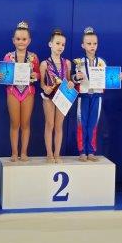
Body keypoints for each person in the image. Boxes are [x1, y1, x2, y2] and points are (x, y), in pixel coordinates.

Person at [72, 26, 122, 161]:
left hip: (97, 96)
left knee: (93, 124)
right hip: (83, 96)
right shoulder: (78, 62)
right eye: (89, 43)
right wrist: (76, 77)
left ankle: (91, 151)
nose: (92, 46)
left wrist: (117, 77)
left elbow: (107, 79)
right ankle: (82, 151)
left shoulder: (101, 62)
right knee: (82, 124)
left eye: (95, 43)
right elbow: (72, 79)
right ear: (83, 45)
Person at [1, 21, 40, 162]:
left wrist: (35, 75)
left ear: (29, 41)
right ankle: (14, 152)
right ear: (13, 40)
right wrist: (3, 76)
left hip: (28, 91)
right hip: (13, 91)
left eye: (24, 39)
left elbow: (38, 75)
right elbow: (4, 77)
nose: (21, 42)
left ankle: (23, 152)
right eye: (18, 39)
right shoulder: (8, 57)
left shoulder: (33, 57)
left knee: (25, 123)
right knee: (14, 123)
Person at [39, 28, 74, 163]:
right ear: (50, 44)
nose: (60, 47)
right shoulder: (44, 64)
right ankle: (49, 154)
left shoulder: (67, 63)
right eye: (57, 43)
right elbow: (42, 84)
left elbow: (68, 80)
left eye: (63, 44)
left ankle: (57, 154)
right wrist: (45, 88)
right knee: (50, 124)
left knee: (59, 126)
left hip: (62, 97)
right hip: (49, 97)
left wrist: (70, 83)